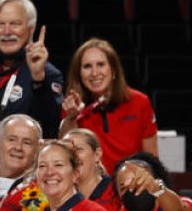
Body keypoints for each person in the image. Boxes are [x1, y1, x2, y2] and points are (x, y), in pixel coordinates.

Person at [0, 0, 64, 150]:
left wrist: (38, 79)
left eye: (15, 24)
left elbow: (50, 126)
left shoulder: (48, 73)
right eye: (0, 24)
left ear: (31, 29)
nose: (7, 31)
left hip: (22, 162)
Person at [61, 38, 157, 173]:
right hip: (90, 189)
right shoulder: (72, 106)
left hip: (131, 185)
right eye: (87, 66)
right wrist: (71, 118)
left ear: (114, 70)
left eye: (101, 64)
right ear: (79, 74)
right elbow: (67, 156)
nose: (94, 73)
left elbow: (152, 161)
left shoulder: (140, 102)